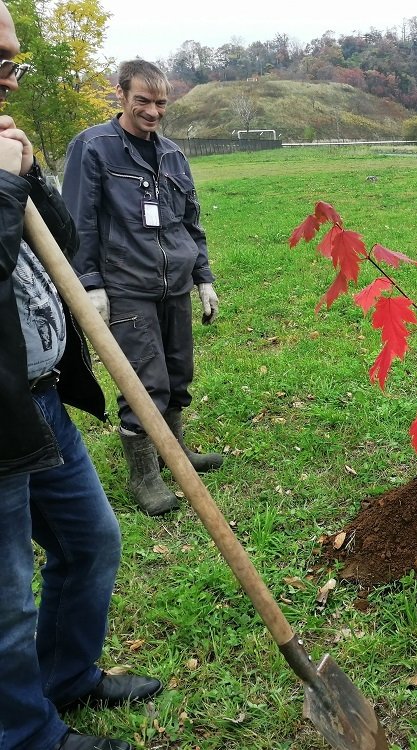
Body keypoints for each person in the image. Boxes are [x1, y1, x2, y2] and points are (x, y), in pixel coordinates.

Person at [0, 6, 162, 748]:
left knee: (91, 543)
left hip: (36, 404)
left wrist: (29, 181)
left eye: (13, 64)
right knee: (7, 604)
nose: (10, 80)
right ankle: (28, 736)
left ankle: (67, 678)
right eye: (0, 63)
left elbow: (59, 245)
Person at [62, 59, 222, 516]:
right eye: (143, 102)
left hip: (174, 284)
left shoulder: (172, 154)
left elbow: (190, 221)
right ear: (121, 96)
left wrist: (203, 276)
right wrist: (90, 284)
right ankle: (144, 475)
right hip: (126, 285)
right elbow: (79, 223)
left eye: (160, 103)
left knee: (177, 372)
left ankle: (177, 455)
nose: (152, 112)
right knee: (143, 379)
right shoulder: (94, 148)